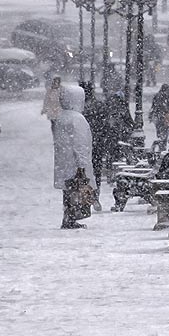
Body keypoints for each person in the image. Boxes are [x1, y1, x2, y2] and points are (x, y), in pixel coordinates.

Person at [53, 85, 95, 229]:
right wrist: (82, 165)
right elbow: (80, 143)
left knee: (68, 190)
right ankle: (72, 217)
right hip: (75, 162)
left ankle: (68, 217)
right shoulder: (77, 119)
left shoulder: (61, 117)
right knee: (77, 190)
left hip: (64, 162)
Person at [82, 83, 112, 202]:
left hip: (86, 145)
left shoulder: (80, 110)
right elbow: (106, 126)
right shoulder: (99, 106)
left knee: (84, 172)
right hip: (97, 143)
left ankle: (87, 196)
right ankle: (95, 195)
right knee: (96, 171)